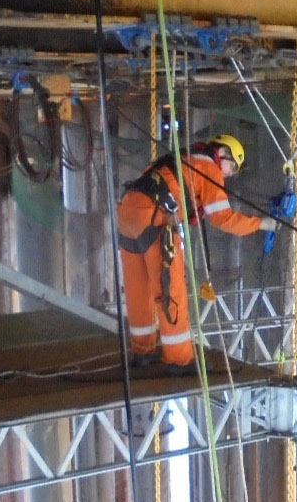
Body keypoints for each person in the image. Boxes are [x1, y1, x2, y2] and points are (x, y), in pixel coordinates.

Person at [117, 134, 276, 373]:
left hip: (127, 213)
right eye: (232, 166)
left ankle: (142, 351)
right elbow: (223, 219)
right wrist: (262, 224)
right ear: (221, 153)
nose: (230, 174)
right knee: (171, 289)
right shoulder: (208, 169)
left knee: (138, 288)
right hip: (155, 218)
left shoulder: (181, 160)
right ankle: (179, 359)